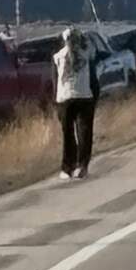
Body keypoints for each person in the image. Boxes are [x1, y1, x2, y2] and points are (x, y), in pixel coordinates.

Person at [54, 28, 99, 180]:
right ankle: (82, 165)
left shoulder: (58, 57)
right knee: (84, 133)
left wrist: (56, 101)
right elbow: (93, 79)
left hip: (64, 99)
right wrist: (95, 96)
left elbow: (55, 81)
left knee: (68, 134)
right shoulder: (87, 55)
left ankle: (67, 167)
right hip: (84, 97)